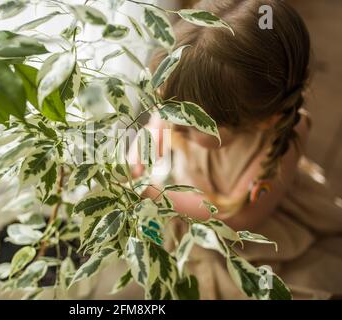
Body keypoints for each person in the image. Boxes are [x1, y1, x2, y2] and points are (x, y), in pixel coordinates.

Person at [133, 0, 342, 299]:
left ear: (262, 122)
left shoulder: (285, 139)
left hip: (245, 225)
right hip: (190, 190)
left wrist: (156, 194)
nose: (174, 126)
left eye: (191, 124)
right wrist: (147, 140)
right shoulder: (191, 95)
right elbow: (161, 117)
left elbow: (240, 217)